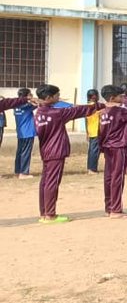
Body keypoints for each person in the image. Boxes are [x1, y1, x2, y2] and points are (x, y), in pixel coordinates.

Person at [33, 84, 102, 223]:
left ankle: (44, 212)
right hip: (56, 151)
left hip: (46, 150)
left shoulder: (39, 112)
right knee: (52, 182)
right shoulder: (57, 114)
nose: (59, 98)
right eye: (57, 95)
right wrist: (99, 106)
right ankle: (50, 215)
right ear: (48, 98)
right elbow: (81, 110)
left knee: (45, 182)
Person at [98, 85, 127, 218]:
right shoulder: (120, 111)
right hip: (119, 146)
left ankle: (109, 207)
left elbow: (100, 131)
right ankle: (116, 209)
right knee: (117, 177)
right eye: (121, 96)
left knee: (109, 177)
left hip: (107, 146)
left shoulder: (102, 112)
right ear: (113, 98)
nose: (123, 98)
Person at [11, 88, 36, 179]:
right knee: (26, 152)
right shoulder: (27, 106)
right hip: (28, 132)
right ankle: (24, 173)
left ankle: (18, 171)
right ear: (26, 96)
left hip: (21, 132)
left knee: (19, 152)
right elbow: (40, 103)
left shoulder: (16, 106)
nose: (32, 96)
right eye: (30, 94)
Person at [84, 89, 102, 175]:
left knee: (91, 150)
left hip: (91, 130)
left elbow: (86, 121)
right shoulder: (94, 106)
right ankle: (92, 169)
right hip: (96, 130)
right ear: (93, 96)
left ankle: (91, 168)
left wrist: (87, 132)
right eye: (97, 95)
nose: (98, 97)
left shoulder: (86, 106)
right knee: (94, 151)